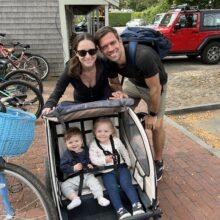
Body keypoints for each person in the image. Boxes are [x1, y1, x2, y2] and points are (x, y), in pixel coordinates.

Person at [95, 26, 168, 181]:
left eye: (112, 43)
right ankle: (123, 150)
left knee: (156, 125)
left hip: (154, 87)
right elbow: (114, 82)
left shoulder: (144, 56)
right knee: (119, 113)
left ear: (120, 42)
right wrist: (120, 94)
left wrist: (152, 114)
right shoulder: (108, 60)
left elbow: (155, 88)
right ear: (101, 50)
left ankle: (159, 160)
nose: (110, 49)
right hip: (133, 83)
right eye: (105, 47)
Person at [42, 32, 114, 115]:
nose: (88, 56)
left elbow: (115, 83)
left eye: (92, 51)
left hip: (103, 103)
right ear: (76, 53)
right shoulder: (70, 67)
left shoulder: (104, 63)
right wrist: (49, 104)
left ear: (96, 50)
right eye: (82, 53)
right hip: (81, 105)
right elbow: (58, 90)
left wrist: (117, 94)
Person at [89, 118, 145, 220]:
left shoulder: (116, 141)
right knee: (112, 188)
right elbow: (93, 159)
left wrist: (128, 163)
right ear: (94, 132)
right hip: (106, 172)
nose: (102, 134)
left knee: (126, 184)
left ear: (111, 132)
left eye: (106, 131)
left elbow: (124, 152)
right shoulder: (93, 145)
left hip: (121, 168)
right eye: (99, 131)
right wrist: (104, 160)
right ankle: (120, 209)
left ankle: (136, 204)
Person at [60, 127, 110, 210]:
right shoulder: (67, 155)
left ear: (81, 141)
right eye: (70, 142)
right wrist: (73, 168)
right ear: (66, 143)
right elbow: (62, 167)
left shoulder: (86, 151)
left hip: (87, 176)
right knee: (64, 186)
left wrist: (90, 165)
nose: (74, 144)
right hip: (74, 178)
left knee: (95, 183)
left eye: (76, 141)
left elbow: (90, 160)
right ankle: (75, 199)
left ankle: (100, 197)